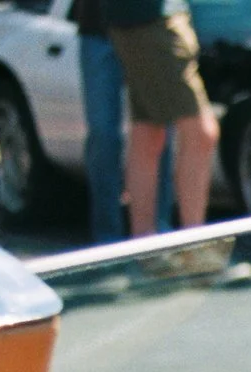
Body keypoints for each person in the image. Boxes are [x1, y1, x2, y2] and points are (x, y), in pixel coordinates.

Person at [107, 0, 216, 236]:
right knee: (201, 132)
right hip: (149, 21)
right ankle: (195, 247)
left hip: (152, 18)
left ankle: (146, 249)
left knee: (148, 133)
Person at [74, 0, 128, 242]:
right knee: (103, 135)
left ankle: (157, 234)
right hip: (97, 29)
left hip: (147, 27)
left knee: (156, 131)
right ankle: (107, 239)